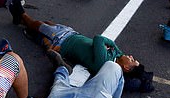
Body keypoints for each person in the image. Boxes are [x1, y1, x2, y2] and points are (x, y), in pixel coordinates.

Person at [18, 13, 149, 92]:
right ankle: (32, 32)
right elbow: (107, 45)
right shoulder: (117, 56)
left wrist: (112, 45)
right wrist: (114, 49)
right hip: (71, 34)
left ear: (126, 68)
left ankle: (19, 13)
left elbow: (99, 38)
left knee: (35, 24)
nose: (131, 56)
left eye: (132, 60)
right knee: (46, 23)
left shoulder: (105, 62)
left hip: (62, 40)